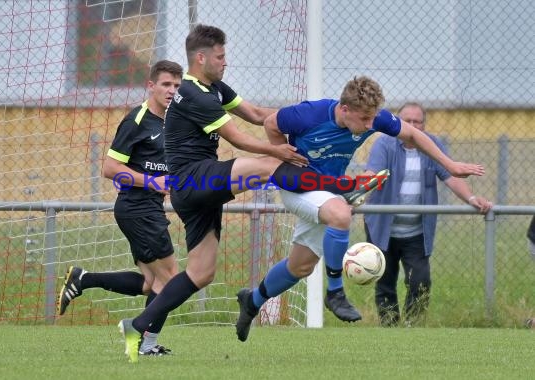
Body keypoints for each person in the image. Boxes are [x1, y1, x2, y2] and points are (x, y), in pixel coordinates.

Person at [116, 24, 395, 363]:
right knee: (264, 165)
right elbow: (239, 138)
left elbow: (256, 115)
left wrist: (298, 119)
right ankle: (343, 187)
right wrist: (280, 152)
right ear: (201, 58)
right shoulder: (192, 93)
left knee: (201, 273)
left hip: (203, 189)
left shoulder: (215, 87)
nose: (225, 61)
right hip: (192, 180)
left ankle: (140, 326)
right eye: (220, 56)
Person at [234, 80, 487, 342]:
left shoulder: (374, 117)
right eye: (365, 119)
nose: (370, 125)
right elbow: (271, 122)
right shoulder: (309, 113)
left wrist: (450, 164)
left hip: (327, 191)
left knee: (300, 267)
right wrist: (282, 156)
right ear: (344, 109)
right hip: (298, 185)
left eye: (372, 118)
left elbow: (412, 134)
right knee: (342, 214)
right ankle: (335, 292)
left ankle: (252, 301)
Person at [56, 60, 183, 355]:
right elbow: (111, 168)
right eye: (166, 84)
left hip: (146, 209)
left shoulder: (170, 121)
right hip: (137, 208)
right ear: (151, 86)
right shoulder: (137, 120)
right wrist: (153, 182)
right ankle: (143, 341)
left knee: (151, 282)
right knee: (171, 280)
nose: (171, 91)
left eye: (176, 86)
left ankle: (83, 279)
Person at [363, 102, 493, 327]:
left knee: (420, 282)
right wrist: (358, 197)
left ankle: (412, 327)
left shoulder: (432, 145)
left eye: (417, 121)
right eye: (407, 121)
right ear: (398, 122)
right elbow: (372, 176)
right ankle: (389, 328)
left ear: (423, 125)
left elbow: (450, 176)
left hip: (416, 231)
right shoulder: (384, 143)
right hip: (382, 227)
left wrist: (472, 199)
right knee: (385, 282)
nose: (412, 126)